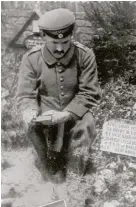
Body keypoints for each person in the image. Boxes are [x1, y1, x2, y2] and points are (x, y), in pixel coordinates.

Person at [17, 8, 101, 182]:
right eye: (54, 43)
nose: (60, 48)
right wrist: (29, 111)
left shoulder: (84, 55)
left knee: (86, 124)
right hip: (45, 114)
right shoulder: (31, 59)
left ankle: (74, 176)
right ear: (43, 37)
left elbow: (89, 92)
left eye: (65, 42)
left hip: (74, 113)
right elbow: (26, 95)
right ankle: (47, 174)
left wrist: (66, 114)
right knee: (30, 125)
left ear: (72, 35)